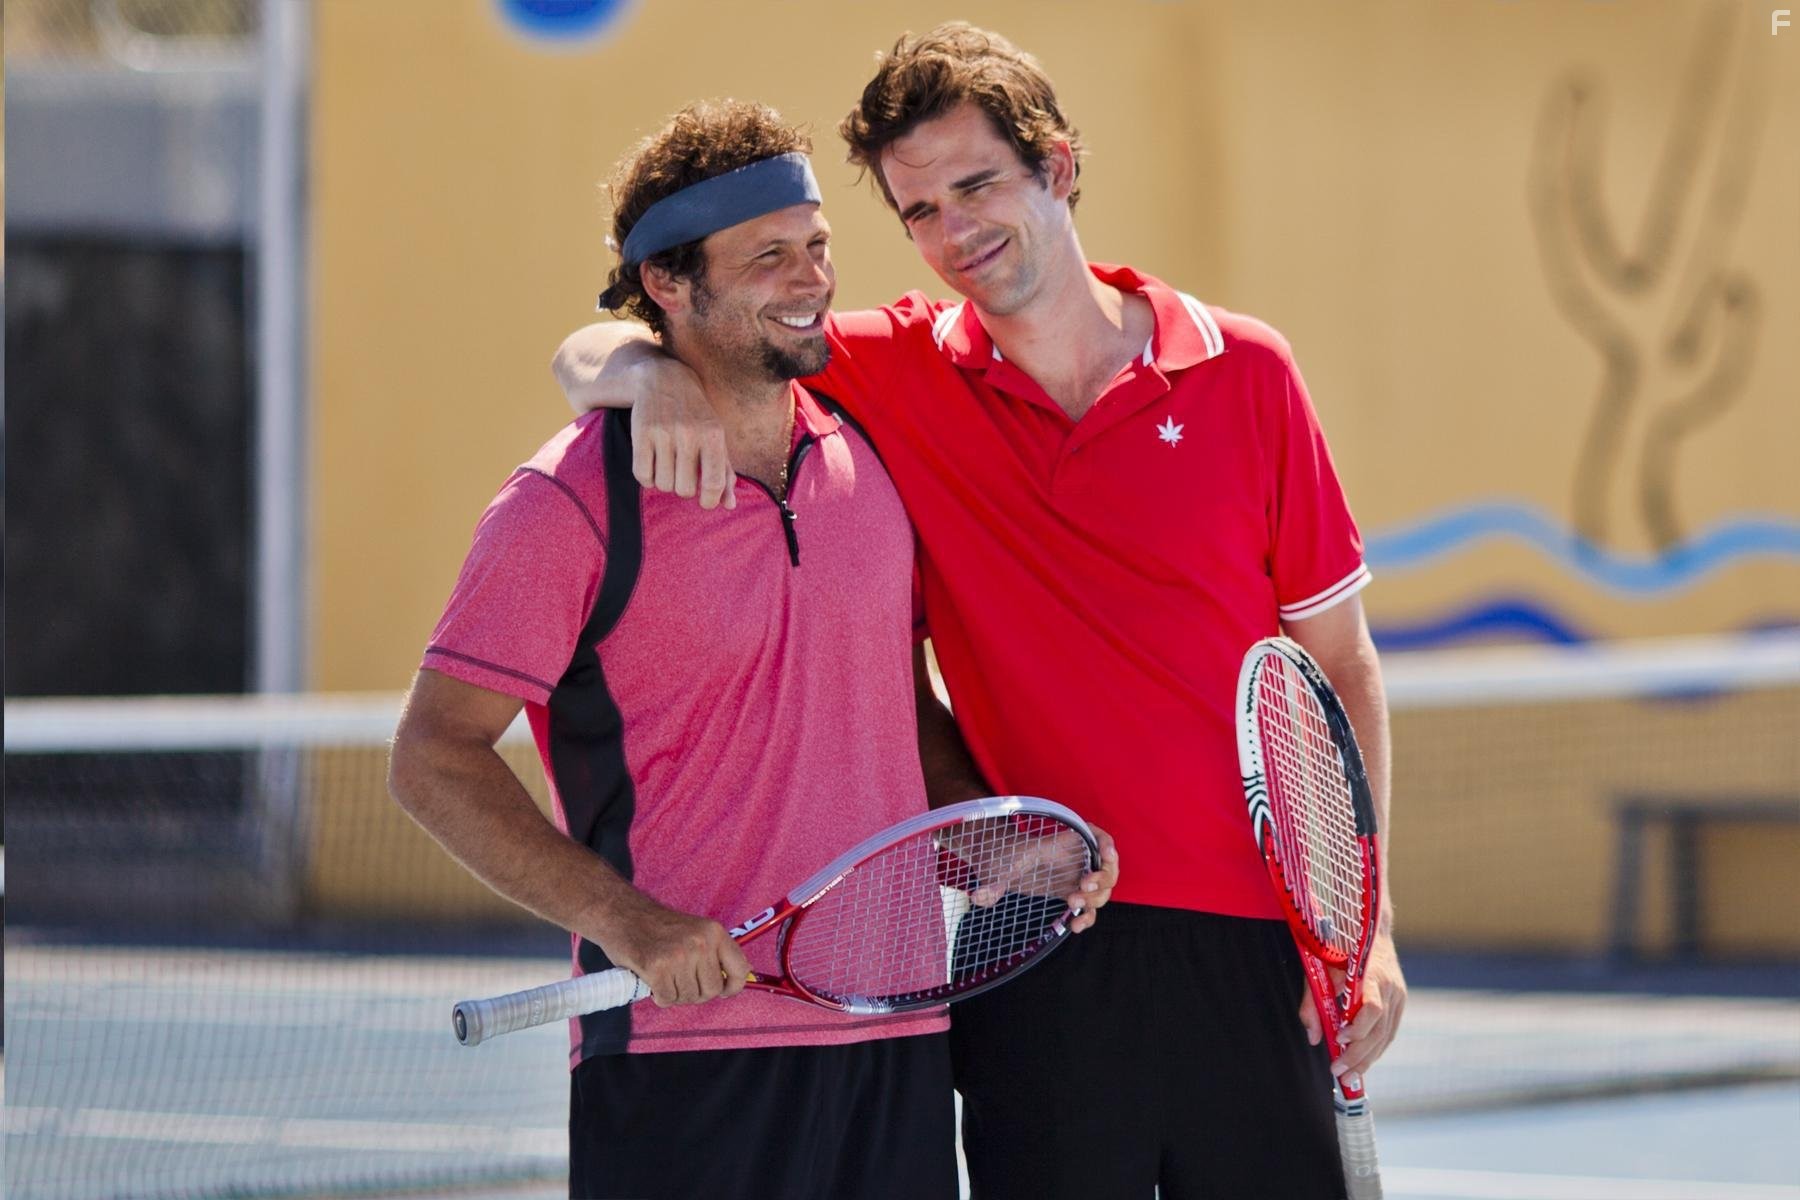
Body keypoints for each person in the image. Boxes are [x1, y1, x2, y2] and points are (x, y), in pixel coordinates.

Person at [551, 23, 1406, 1200]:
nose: (954, 234)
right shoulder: (886, 372)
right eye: (918, 212)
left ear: (1055, 166)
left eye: (976, 186)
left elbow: (1341, 670)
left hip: (1259, 946)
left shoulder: (1249, 372)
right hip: (1037, 940)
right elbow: (603, 342)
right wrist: (648, 375)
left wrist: (1369, 927)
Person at [390, 98, 1114, 1200]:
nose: (811, 278)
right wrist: (627, 923)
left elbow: (885, 696)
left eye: (817, 245)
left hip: (897, 1037)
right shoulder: (567, 502)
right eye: (768, 255)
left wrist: (988, 840)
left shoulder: (869, 456)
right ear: (672, 289)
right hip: (689, 1057)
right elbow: (432, 757)